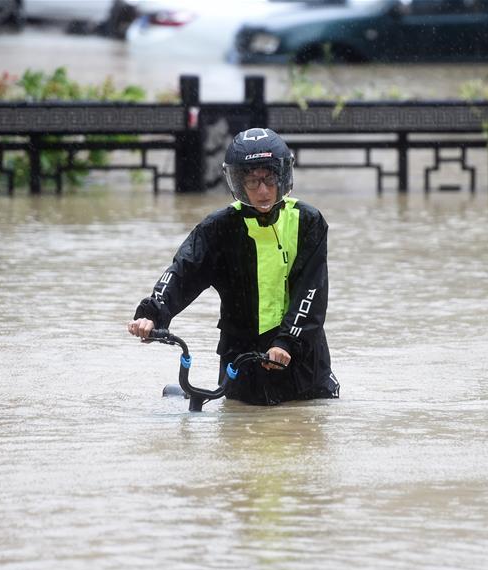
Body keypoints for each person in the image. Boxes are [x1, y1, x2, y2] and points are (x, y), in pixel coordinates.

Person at [127, 127, 340, 406]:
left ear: (283, 176)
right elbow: (184, 270)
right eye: (253, 182)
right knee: (236, 432)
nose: (263, 190)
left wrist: (286, 342)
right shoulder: (218, 227)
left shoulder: (308, 222)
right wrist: (152, 313)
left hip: (300, 361)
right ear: (239, 183)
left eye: (269, 179)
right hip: (241, 357)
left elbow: (311, 293)